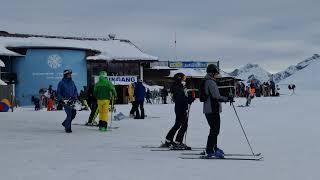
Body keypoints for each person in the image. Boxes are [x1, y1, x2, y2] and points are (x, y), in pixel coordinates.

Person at [203, 64, 233, 158]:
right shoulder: (210, 82)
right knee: (214, 130)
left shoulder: (208, 81)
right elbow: (216, 96)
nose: (217, 74)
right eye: (216, 73)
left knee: (214, 130)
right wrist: (227, 98)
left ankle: (214, 148)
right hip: (212, 109)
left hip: (210, 109)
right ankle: (210, 150)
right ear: (212, 73)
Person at [162, 73, 195, 149]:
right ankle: (178, 142)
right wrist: (188, 99)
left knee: (177, 124)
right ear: (179, 79)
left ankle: (168, 140)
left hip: (180, 107)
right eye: (183, 78)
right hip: (181, 107)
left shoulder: (180, 86)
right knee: (184, 125)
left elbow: (183, 96)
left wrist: (189, 98)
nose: (184, 80)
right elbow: (180, 98)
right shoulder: (177, 87)